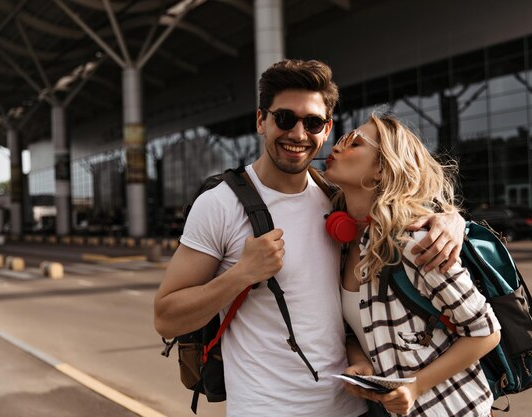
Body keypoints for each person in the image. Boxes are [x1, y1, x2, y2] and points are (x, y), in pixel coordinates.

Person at [154, 59, 465, 417]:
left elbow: (404, 202)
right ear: (261, 121)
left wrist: (451, 219)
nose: (299, 134)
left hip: (351, 408)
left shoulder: (336, 196)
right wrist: (241, 274)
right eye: (285, 118)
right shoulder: (219, 204)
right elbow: (166, 318)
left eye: (313, 122)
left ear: (327, 127)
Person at [323, 113, 501, 417]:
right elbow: (356, 327)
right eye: (339, 140)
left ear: (381, 168)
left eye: (354, 143)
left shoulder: (415, 244)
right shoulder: (342, 246)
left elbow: (486, 331)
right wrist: (360, 362)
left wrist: (415, 386)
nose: (336, 148)